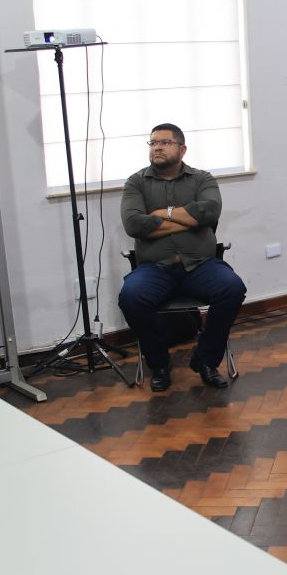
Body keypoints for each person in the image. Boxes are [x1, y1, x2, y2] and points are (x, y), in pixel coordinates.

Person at [118, 123, 247, 391]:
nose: (157, 147)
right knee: (131, 297)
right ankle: (159, 363)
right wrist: (189, 218)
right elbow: (134, 224)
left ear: (182, 148)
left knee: (232, 288)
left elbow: (209, 212)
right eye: (153, 143)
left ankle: (205, 360)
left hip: (200, 266)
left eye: (165, 142)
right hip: (155, 269)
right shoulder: (136, 182)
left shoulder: (202, 179)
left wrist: (159, 214)